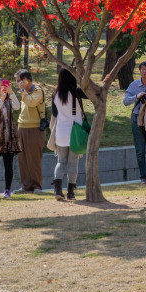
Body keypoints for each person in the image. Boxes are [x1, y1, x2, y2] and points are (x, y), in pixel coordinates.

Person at [52, 68, 87, 201]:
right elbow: (92, 94)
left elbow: (55, 113)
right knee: (73, 162)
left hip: (61, 131)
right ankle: (71, 192)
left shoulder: (55, 94)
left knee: (60, 161)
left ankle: (57, 190)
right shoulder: (77, 92)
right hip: (75, 132)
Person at [13, 69, 46, 194]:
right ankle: (26, 186)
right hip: (22, 127)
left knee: (34, 158)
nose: (17, 84)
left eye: (19, 81)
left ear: (26, 80)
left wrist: (22, 92)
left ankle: (37, 186)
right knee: (23, 158)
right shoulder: (24, 93)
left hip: (34, 128)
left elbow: (31, 103)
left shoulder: (37, 91)